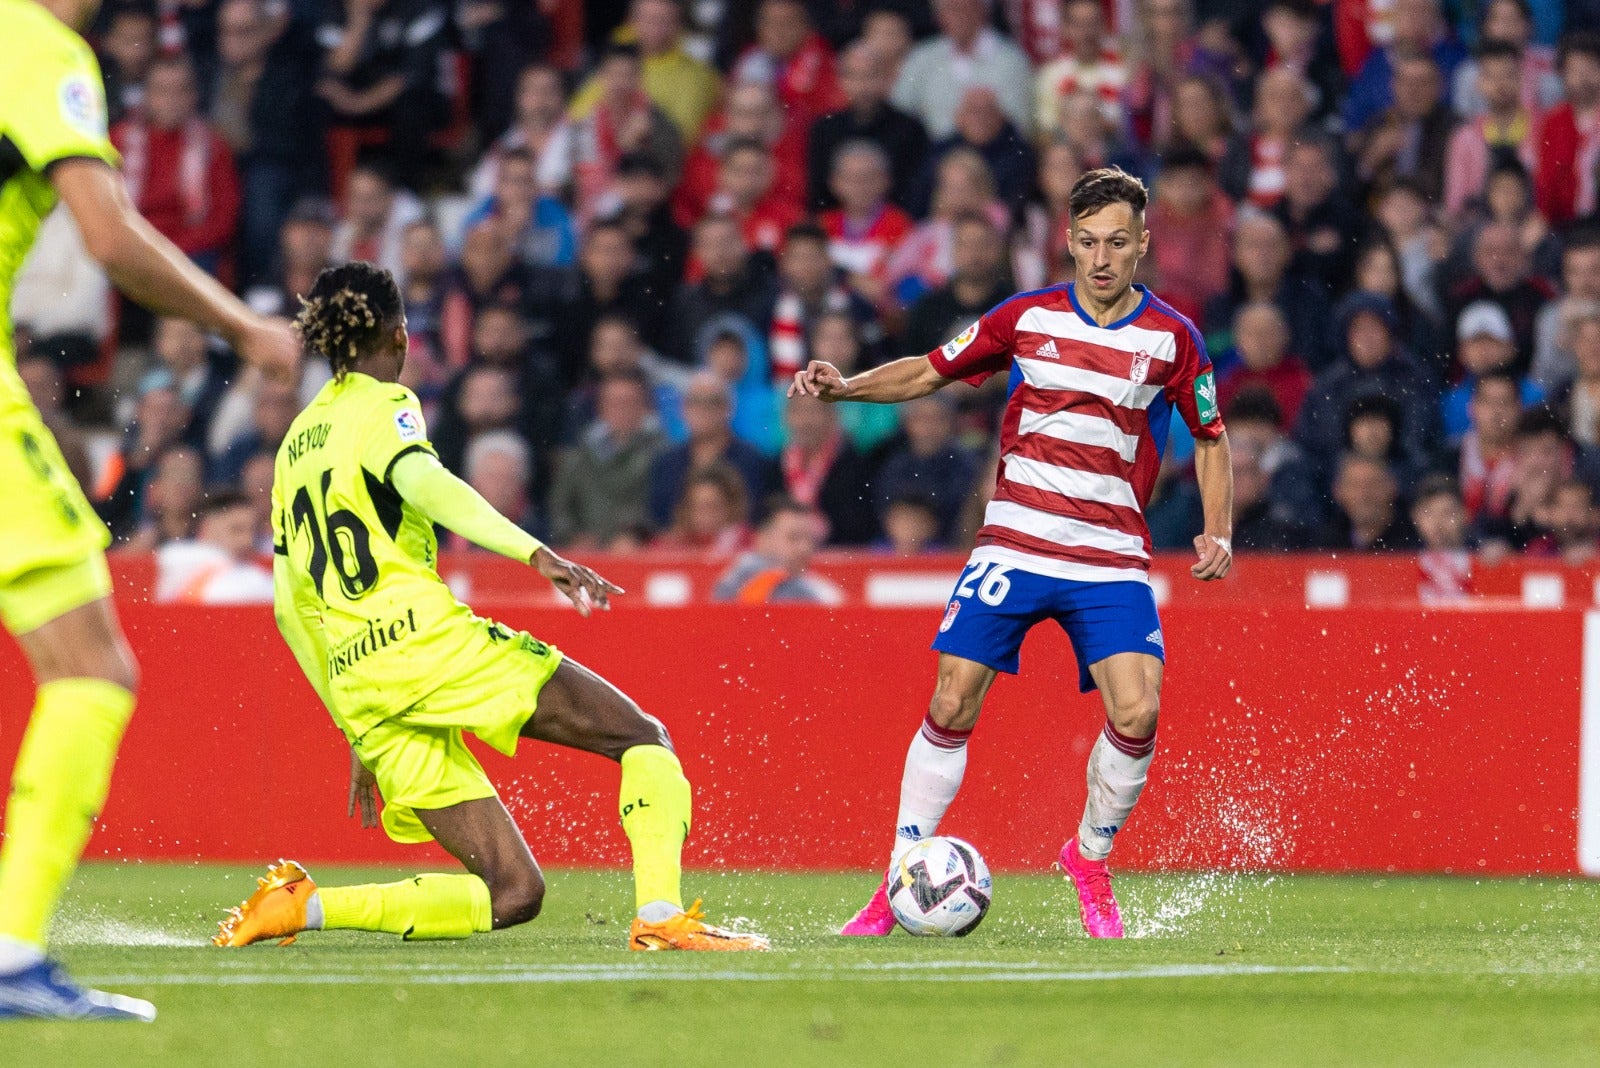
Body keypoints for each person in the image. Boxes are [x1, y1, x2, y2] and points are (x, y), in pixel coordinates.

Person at [213, 262, 767, 954]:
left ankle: (302, 906)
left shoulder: (294, 445)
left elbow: (292, 612)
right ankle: (659, 914)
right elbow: (426, 481)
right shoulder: (386, 406)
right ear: (397, 333)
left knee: (514, 894)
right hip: (427, 643)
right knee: (641, 738)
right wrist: (535, 552)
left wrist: (354, 725)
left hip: (361, 682)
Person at [790, 167, 1233, 940]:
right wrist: (845, 389)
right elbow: (929, 370)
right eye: (1089, 242)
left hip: (1109, 554)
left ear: (1142, 247)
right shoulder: (1024, 317)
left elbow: (1211, 437)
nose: (1101, 258)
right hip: (1015, 540)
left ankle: (1089, 859)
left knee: (1139, 709)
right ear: (1068, 241)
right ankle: (897, 879)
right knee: (953, 697)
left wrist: (1219, 529)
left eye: (1118, 244)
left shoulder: (1173, 339)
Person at [0, 0, 299, 1021]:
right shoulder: (35, 47)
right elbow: (107, 233)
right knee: (91, 669)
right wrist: (244, 325)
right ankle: (9, 962)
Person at [712, 495, 841, 603]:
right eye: (794, 537)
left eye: (809, 539)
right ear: (762, 539)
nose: (804, 547)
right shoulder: (738, 582)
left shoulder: (818, 588)